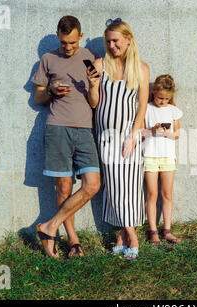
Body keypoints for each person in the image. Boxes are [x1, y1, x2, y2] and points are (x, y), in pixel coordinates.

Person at [32, 15, 100, 258]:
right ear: (58, 37)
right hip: (57, 128)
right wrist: (51, 90)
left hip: (84, 129)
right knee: (64, 186)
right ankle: (73, 241)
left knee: (92, 184)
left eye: (72, 42)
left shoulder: (90, 58)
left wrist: (93, 85)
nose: (68, 47)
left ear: (80, 36)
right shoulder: (48, 59)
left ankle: (49, 226)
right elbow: (38, 99)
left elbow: (94, 103)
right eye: (64, 43)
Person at [87, 18, 150, 260]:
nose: (112, 45)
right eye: (108, 41)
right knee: (114, 184)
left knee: (131, 185)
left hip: (130, 133)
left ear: (128, 40)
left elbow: (142, 105)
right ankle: (128, 234)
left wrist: (133, 136)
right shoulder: (100, 64)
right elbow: (94, 103)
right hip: (106, 134)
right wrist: (93, 85)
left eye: (116, 41)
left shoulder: (141, 68)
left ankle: (125, 236)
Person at [143, 75, 183, 244]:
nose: (163, 101)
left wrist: (168, 133)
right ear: (153, 93)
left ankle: (167, 229)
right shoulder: (146, 108)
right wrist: (152, 130)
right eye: (160, 98)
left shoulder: (173, 110)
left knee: (167, 194)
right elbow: (140, 133)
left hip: (167, 157)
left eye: (167, 98)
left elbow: (178, 134)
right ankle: (153, 231)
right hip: (150, 155)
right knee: (152, 194)